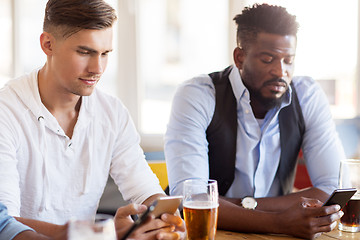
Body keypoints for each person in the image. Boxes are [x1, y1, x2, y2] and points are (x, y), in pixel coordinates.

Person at [0, 0, 184, 239]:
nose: (97, 68)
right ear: (48, 44)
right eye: (84, 52)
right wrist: (95, 233)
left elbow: (147, 192)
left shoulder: (112, 113)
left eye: (105, 54)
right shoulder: (6, 112)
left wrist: (162, 220)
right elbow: (4, 224)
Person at [165, 3, 345, 239]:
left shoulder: (307, 95)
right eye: (268, 59)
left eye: (288, 60)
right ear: (239, 58)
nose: (280, 71)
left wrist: (240, 207)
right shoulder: (198, 94)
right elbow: (191, 199)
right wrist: (280, 221)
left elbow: (333, 188)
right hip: (207, 233)